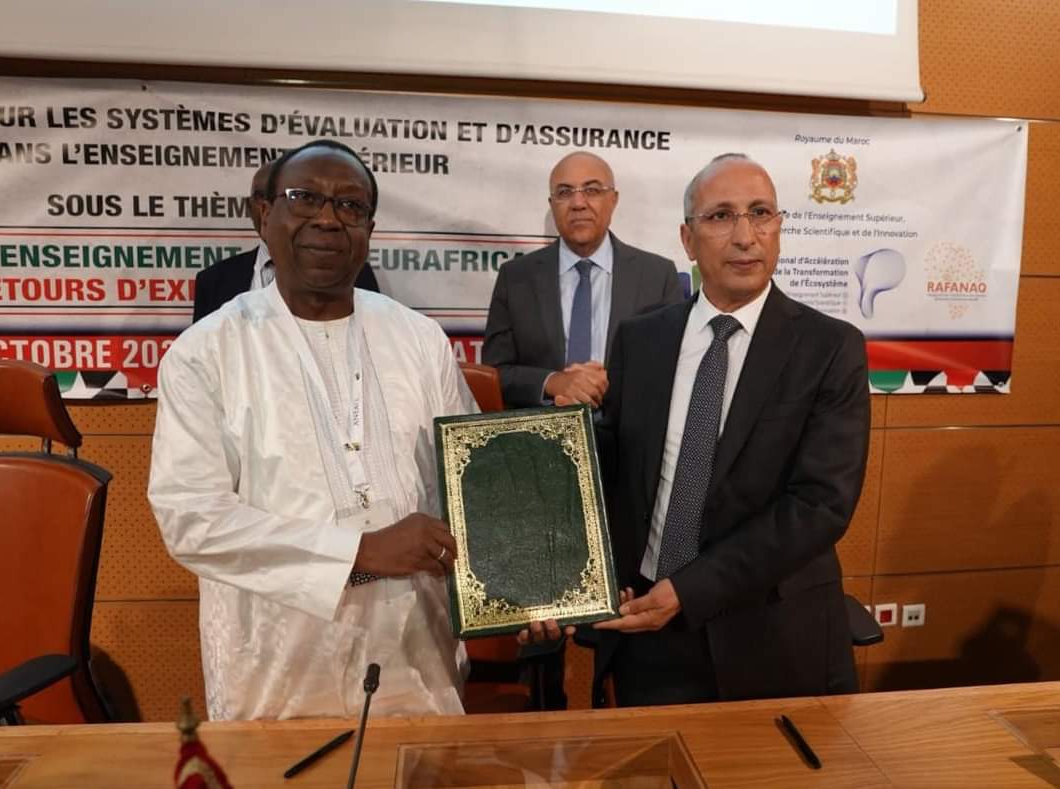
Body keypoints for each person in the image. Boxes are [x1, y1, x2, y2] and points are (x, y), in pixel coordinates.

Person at [149, 139, 476, 721]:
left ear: (369, 229)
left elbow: (472, 479)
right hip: (277, 669)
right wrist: (362, 551)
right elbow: (191, 519)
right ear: (264, 215)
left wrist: (522, 585)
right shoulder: (206, 353)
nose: (327, 219)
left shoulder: (420, 339)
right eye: (305, 198)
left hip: (417, 657)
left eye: (350, 206)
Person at [528, 153, 870, 707]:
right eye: (721, 216)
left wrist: (689, 590)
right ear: (688, 240)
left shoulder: (830, 348)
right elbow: (611, 474)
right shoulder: (641, 339)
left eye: (760, 213)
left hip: (770, 636)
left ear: (779, 227)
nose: (745, 236)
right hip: (648, 631)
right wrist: (555, 576)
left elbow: (820, 505)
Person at [482, 151, 683, 409]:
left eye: (592, 190)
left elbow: (674, 367)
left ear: (613, 199)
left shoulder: (657, 275)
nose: (578, 203)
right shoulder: (515, 278)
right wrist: (553, 382)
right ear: (552, 203)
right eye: (564, 192)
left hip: (627, 429)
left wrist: (609, 382)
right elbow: (495, 373)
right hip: (545, 429)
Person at [192, 160, 380, 323]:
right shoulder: (214, 280)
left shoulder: (355, 273)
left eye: (302, 198)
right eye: (261, 196)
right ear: (261, 210)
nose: (326, 220)